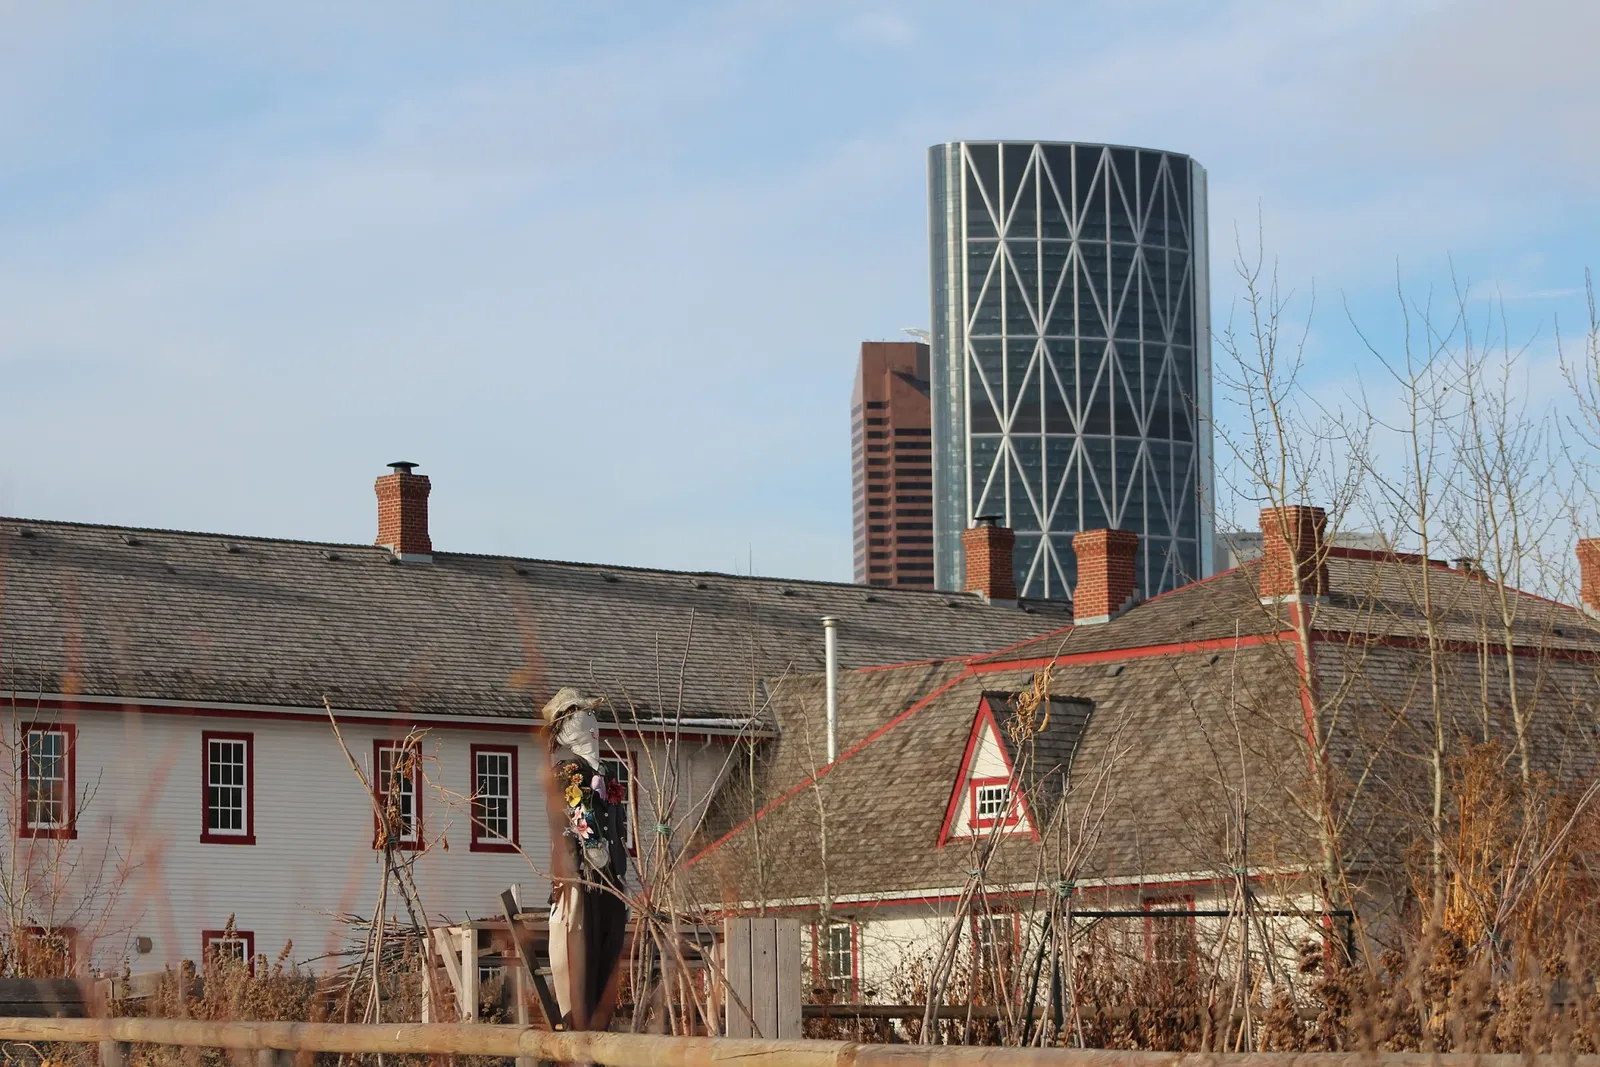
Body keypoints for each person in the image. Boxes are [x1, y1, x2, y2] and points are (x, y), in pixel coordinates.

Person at [541, 687, 629, 1030]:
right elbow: (567, 827)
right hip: (581, 880)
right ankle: (578, 1028)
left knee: (608, 955)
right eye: (582, 716)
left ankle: (599, 1028)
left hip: (610, 882)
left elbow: (617, 829)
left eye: (592, 716)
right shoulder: (565, 774)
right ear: (565, 730)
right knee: (579, 956)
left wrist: (620, 871)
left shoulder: (608, 775)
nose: (592, 724)